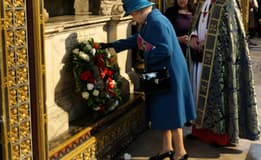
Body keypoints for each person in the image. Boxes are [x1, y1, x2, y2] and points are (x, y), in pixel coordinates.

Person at [101, 0, 196, 159]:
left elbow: (165, 50)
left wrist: (144, 54)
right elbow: (138, 39)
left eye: (131, 14)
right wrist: (112, 46)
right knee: (165, 111)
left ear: (139, 11)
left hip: (168, 73)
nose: (132, 18)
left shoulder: (156, 22)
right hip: (165, 71)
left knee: (172, 113)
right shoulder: (151, 19)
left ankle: (180, 153)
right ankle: (167, 148)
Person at [187, 0, 260, 146]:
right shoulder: (203, 2)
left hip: (218, 60)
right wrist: (194, 36)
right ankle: (199, 131)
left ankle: (218, 135)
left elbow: (229, 33)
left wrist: (207, 41)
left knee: (217, 95)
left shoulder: (229, 4)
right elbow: (197, 22)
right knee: (197, 93)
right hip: (199, 57)